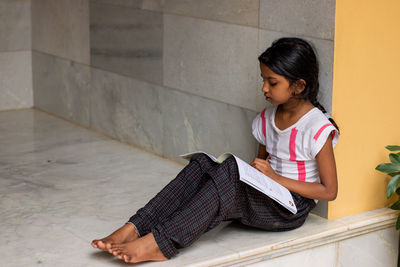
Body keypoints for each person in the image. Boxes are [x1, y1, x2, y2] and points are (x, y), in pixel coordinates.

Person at [91, 37, 339, 264]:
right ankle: (133, 227)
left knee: (229, 170)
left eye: (272, 82)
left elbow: (329, 191)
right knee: (203, 163)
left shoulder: (317, 127)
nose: (264, 88)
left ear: (298, 86)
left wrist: (275, 178)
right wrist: (253, 176)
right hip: (268, 195)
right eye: (263, 80)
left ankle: (160, 243)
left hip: (290, 209)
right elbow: (259, 163)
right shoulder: (267, 118)